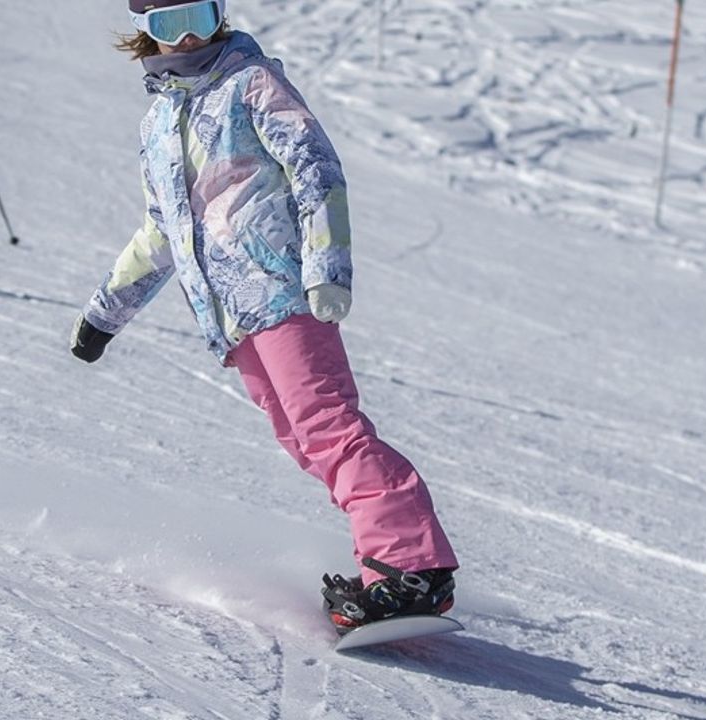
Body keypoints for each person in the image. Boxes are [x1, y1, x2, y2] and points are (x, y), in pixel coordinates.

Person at [69, 0, 459, 632]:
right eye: (170, 23)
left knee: (329, 426)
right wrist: (104, 315)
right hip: (232, 313)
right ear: (144, 33)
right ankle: (389, 563)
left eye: (200, 12)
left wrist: (327, 267)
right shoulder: (159, 121)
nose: (190, 34)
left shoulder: (251, 83)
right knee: (304, 440)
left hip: (283, 290)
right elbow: (161, 232)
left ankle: (411, 564)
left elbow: (315, 169)